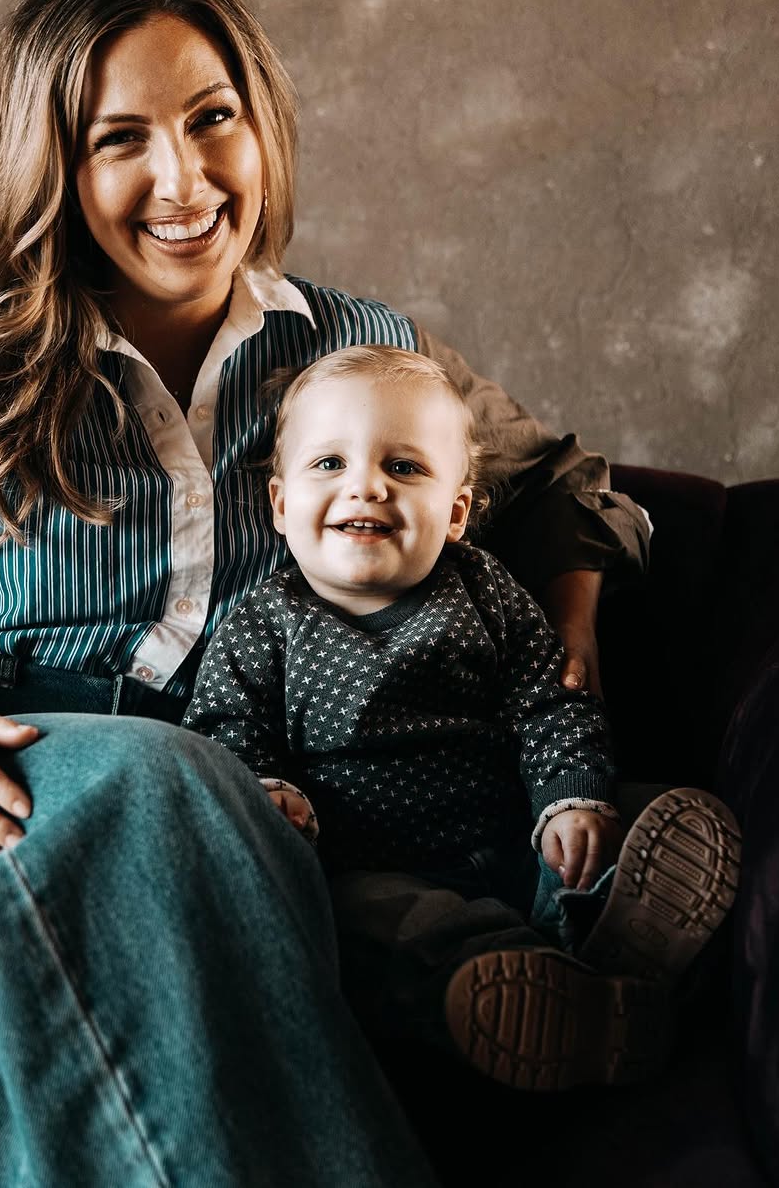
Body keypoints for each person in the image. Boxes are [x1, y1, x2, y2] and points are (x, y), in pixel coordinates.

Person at [0, 0, 653, 1184]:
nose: (184, 178)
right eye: (120, 138)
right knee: (169, 788)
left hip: (223, 846)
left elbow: (558, 487)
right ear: (53, 165)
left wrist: (571, 629)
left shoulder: (358, 357)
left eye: (212, 118)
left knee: (100, 958)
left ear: (260, 124)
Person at [182, 345, 741, 1091]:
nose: (366, 486)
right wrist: (269, 790)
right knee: (370, 925)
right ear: (280, 506)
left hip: (520, 836)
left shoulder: (484, 592)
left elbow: (552, 704)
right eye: (330, 464)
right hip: (371, 866)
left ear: (455, 514)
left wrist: (572, 801)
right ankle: (534, 985)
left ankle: (608, 933)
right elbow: (226, 727)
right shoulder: (265, 622)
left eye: (403, 467)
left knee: (632, 818)